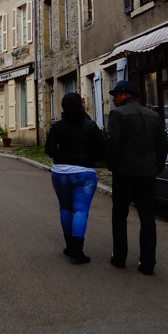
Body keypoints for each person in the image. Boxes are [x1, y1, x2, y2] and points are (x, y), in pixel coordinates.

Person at [106, 79, 168, 276]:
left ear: (125, 94)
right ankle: (148, 262)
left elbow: (113, 145)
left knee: (119, 215)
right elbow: (163, 146)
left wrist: (112, 166)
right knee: (147, 218)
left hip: (124, 174)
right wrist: (155, 168)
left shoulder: (117, 114)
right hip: (147, 175)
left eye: (115, 94)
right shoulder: (154, 116)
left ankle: (119, 257)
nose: (113, 99)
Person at [45, 92, 105, 264]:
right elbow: (101, 149)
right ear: (81, 105)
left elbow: (49, 149)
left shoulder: (57, 126)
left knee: (65, 208)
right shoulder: (90, 126)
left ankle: (69, 246)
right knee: (80, 210)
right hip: (84, 172)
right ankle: (77, 252)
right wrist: (87, 157)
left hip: (61, 172)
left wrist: (61, 155)